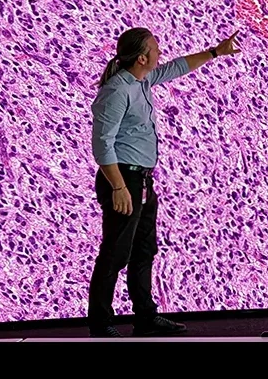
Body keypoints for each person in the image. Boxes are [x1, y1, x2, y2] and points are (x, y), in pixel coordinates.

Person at [87, 27, 241, 337]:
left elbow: (177, 67)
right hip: (123, 180)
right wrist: (118, 187)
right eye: (155, 49)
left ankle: (145, 317)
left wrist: (215, 52)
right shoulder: (118, 91)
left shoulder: (142, 82)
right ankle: (101, 323)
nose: (160, 54)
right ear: (142, 56)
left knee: (144, 250)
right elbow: (102, 144)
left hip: (142, 180)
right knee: (116, 252)